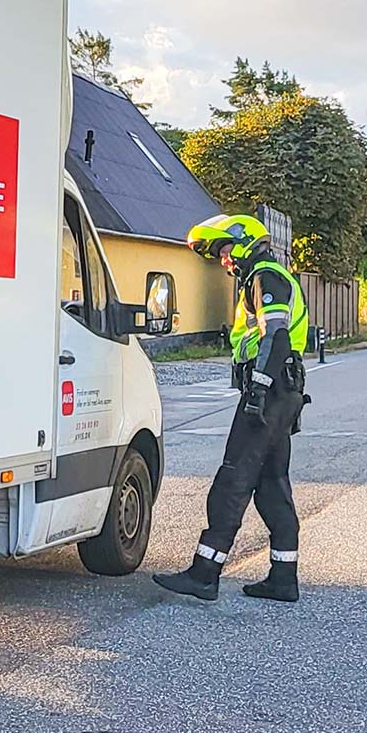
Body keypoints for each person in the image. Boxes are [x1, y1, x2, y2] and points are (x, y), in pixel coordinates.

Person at [154, 213, 309, 603]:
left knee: (232, 479)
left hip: (269, 393)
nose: (224, 261)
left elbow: (275, 336)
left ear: (243, 242)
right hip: (284, 393)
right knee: (272, 484)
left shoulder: (265, 277)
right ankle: (283, 577)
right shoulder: (267, 277)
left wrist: (257, 389)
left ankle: (205, 573)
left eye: (225, 250)